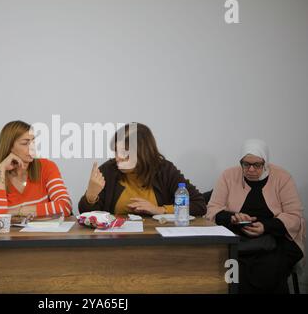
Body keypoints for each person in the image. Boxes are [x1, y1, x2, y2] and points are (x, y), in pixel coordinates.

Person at [206, 139, 305, 293]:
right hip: (237, 239)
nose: (251, 169)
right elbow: (212, 211)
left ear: (265, 163)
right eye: (246, 164)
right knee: (232, 266)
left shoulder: (282, 177)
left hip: (276, 238)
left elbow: (294, 216)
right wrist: (233, 218)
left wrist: (265, 227)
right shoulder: (228, 176)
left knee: (269, 268)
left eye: (257, 165)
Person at [78, 123, 206, 217]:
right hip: (116, 240)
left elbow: (199, 205)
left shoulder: (165, 170)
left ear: (142, 154)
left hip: (159, 241)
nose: (117, 158)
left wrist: (159, 210)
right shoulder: (109, 170)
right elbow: (86, 216)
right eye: (116, 152)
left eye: (124, 153)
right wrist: (90, 196)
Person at [0, 121, 72, 218]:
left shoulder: (47, 166)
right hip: (12, 233)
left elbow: (65, 206)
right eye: (25, 143)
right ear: (9, 147)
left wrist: (18, 211)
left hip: (44, 232)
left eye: (33, 142)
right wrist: (1, 168)